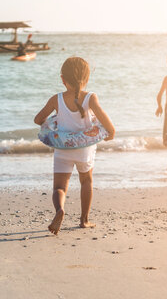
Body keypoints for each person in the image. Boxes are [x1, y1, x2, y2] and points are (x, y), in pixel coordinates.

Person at [34, 57, 115, 235]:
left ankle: (59, 210)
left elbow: (37, 120)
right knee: (86, 181)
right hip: (84, 150)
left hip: (63, 148)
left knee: (59, 188)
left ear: (63, 79)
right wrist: (110, 134)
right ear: (87, 78)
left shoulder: (56, 99)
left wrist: (54, 121)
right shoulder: (90, 98)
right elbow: (107, 123)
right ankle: (84, 220)